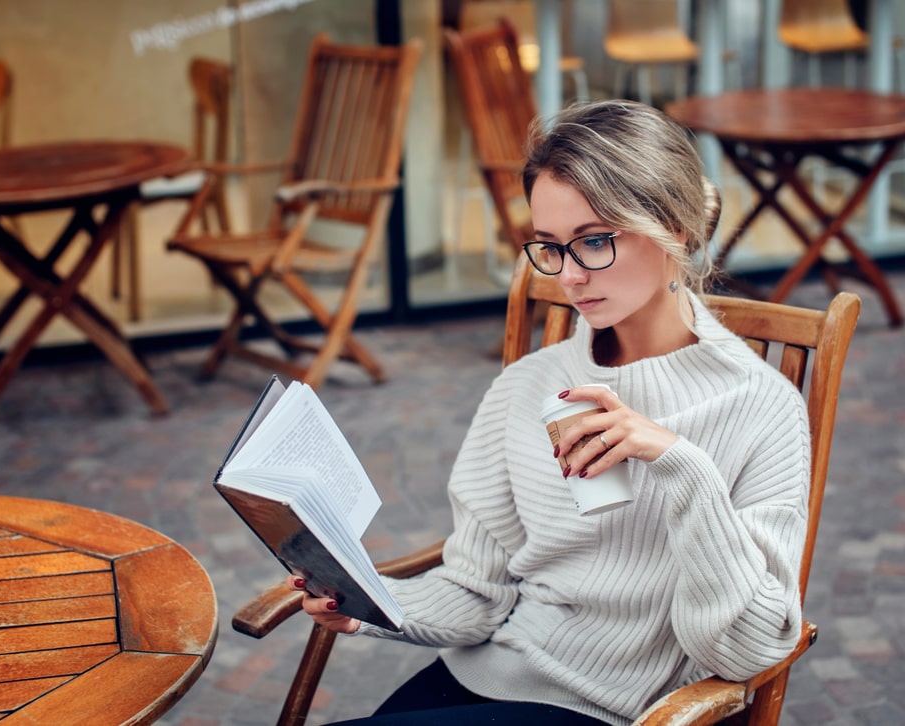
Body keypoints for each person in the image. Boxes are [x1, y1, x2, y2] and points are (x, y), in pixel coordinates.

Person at [286, 99, 811, 725]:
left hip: (621, 709)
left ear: (676, 228)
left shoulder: (761, 406)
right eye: (550, 247)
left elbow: (750, 650)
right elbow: (477, 593)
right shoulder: (528, 385)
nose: (569, 276)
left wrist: (679, 465)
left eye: (593, 241)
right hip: (489, 674)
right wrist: (371, 606)